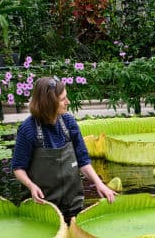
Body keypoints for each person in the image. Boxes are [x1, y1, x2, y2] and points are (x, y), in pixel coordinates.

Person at [11, 77, 115, 221]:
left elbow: (83, 160)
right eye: (62, 99)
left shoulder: (69, 123)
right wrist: (31, 186)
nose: (68, 102)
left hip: (73, 205)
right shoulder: (28, 129)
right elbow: (18, 168)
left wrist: (99, 184)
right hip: (42, 208)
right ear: (48, 103)